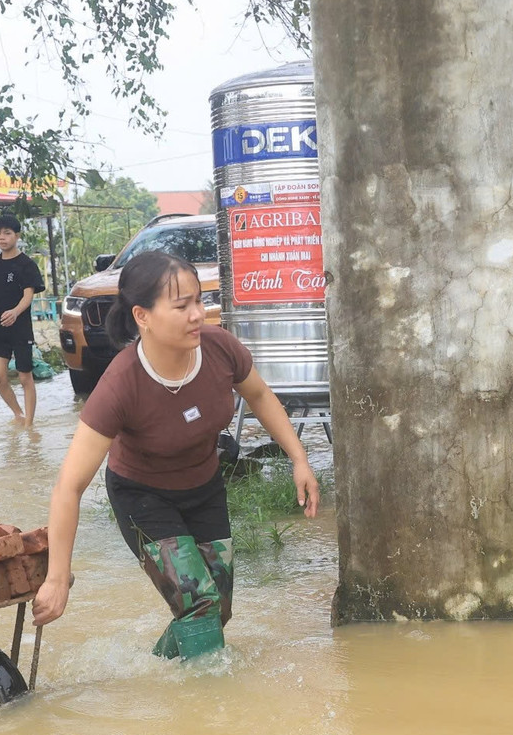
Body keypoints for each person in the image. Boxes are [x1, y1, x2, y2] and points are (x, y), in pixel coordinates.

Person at [31, 248, 320, 657]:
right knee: (199, 603)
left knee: (215, 610)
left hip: (204, 486)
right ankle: (207, 708)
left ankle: (159, 668)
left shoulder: (220, 349)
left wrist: (299, 459)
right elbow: (69, 486)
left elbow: (259, 395)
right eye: (182, 305)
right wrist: (58, 577)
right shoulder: (121, 384)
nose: (197, 315)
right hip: (142, 496)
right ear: (142, 316)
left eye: (199, 301)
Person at [0, 214, 44, 425]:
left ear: (17, 236)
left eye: (7, 233)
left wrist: (15, 312)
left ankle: (29, 424)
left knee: (24, 378)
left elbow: (28, 296)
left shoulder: (26, 264)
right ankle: (18, 414)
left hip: (20, 329)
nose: (2, 238)